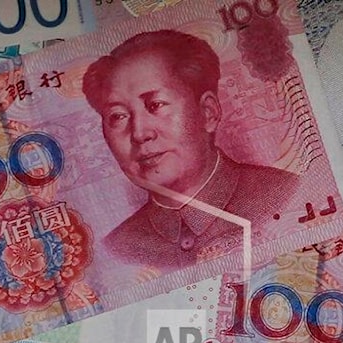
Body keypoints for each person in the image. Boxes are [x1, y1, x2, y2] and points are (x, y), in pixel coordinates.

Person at [82, 29, 299, 270]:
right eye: (118, 116)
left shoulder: (288, 195)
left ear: (208, 112)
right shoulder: (118, 249)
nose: (140, 133)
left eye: (155, 105)